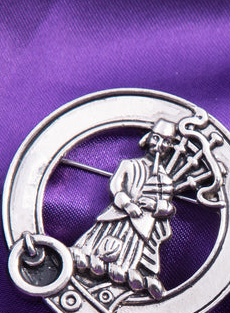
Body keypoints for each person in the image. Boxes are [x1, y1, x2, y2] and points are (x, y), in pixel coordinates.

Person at [71, 119, 177, 300]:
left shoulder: (165, 179)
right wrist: (127, 204)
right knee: (97, 250)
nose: (159, 145)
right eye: (156, 138)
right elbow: (116, 187)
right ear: (147, 139)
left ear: (170, 146)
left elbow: (167, 206)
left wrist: (156, 206)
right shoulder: (129, 165)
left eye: (166, 142)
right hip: (116, 217)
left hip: (142, 227)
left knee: (127, 260)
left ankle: (122, 279)